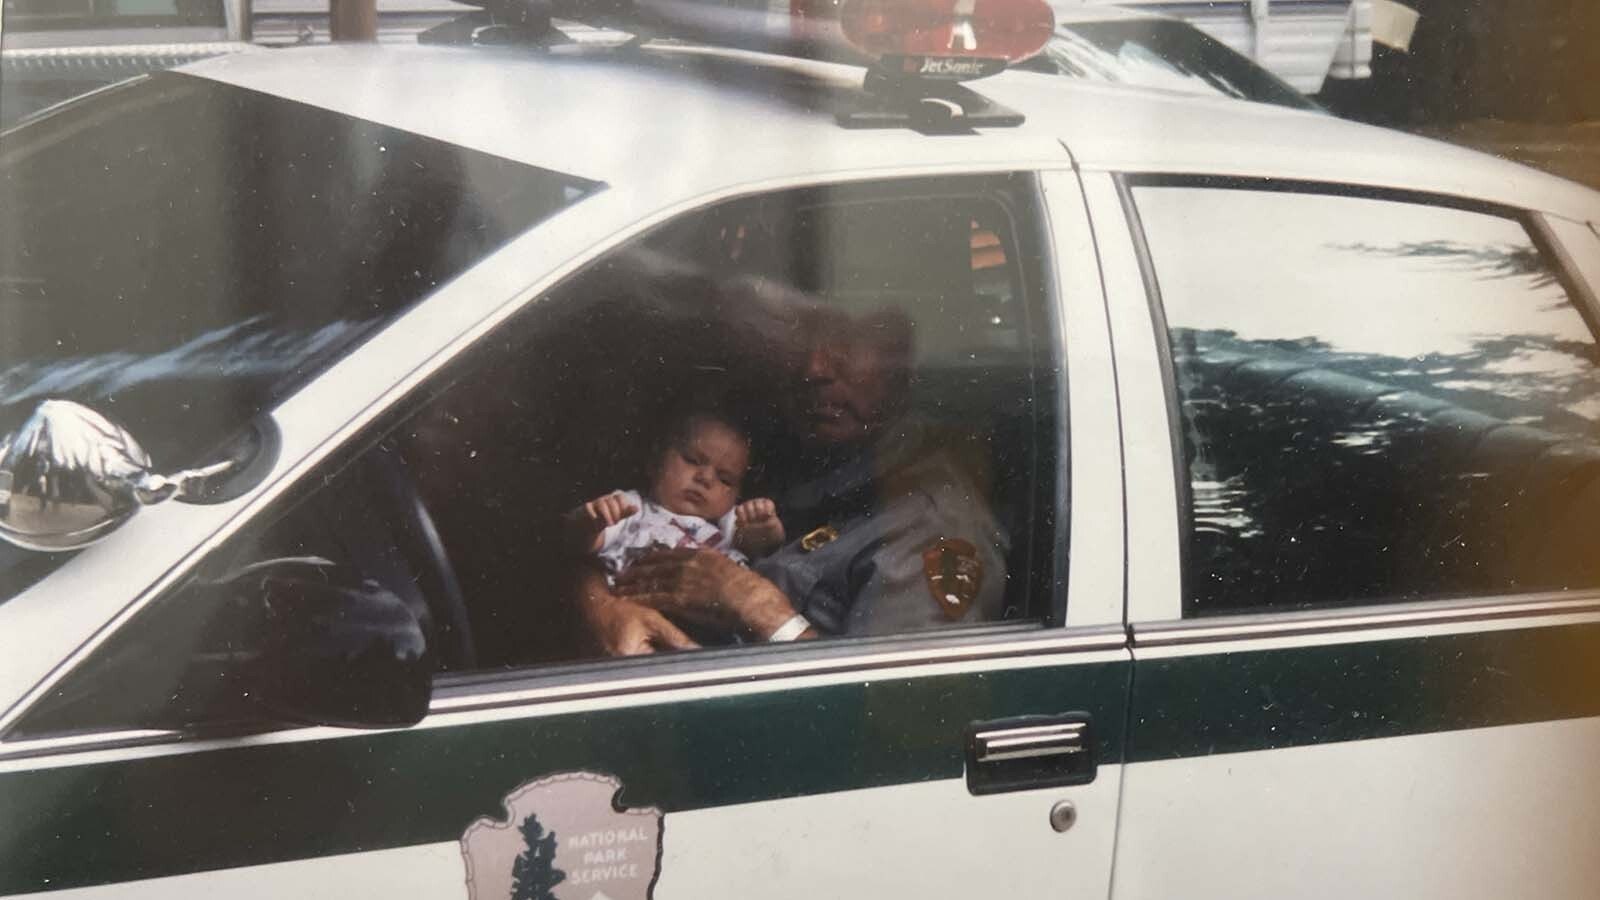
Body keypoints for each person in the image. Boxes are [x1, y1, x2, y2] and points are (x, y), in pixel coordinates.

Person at [576, 302, 1009, 655]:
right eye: (802, 338)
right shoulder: (789, 450)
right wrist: (602, 609)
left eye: (843, 340)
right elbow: (598, 538)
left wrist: (758, 608)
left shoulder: (933, 525)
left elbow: (898, 716)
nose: (814, 368)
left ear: (899, 361)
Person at [567, 410, 786, 582]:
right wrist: (590, 521)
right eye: (692, 460)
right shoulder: (632, 507)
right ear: (654, 462)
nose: (705, 478)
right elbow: (583, 540)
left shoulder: (728, 524)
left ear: (736, 496)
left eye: (725, 479)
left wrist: (767, 528)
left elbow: (761, 546)